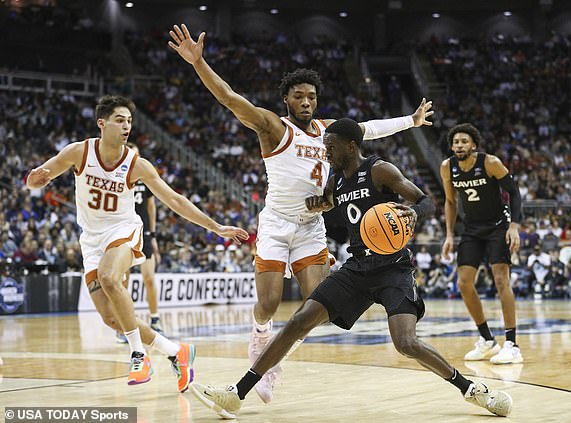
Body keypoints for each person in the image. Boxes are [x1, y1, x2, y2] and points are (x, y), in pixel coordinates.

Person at [168, 23, 434, 402]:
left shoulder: (330, 132)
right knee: (270, 304)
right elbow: (229, 97)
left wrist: (411, 121)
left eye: (311, 97)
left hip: (311, 227)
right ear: (287, 100)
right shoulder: (274, 128)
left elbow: (370, 129)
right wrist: (199, 63)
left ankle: (271, 367)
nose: (306, 102)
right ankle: (259, 337)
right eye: (298, 97)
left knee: (316, 306)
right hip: (276, 224)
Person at [188, 118, 512, 419]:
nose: (325, 152)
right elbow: (329, 203)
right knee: (300, 319)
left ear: (351, 146)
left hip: (393, 269)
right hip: (357, 267)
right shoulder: (336, 180)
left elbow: (424, 200)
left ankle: (471, 389)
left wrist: (412, 213)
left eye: (330, 147)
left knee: (406, 343)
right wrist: (319, 205)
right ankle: (236, 393)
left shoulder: (379, 170)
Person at [26, 95, 248, 390]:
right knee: (112, 319)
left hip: (123, 230)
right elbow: (39, 177)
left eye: (129, 121)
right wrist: (34, 180)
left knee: (109, 277)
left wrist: (215, 226)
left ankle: (138, 355)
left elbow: (173, 199)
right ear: (101, 124)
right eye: (120, 120)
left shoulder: (136, 164)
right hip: (90, 241)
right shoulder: (79, 152)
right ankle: (176, 352)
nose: (126, 126)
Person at [440, 123, 523, 364]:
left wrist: (514, 226)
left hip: (498, 225)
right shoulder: (448, 167)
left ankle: (512, 344)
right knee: (463, 283)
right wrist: (448, 235)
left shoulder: (490, 163)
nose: (459, 145)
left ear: (473, 145)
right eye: (456, 142)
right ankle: (487, 340)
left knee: (500, 279)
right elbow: (450, 202)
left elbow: (514, 192)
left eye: (464, 141)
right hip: (472, 229)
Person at [115, 142, 163, 344]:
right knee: (122, 283)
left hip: (144, 234)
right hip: (123, 234)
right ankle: (126, 326)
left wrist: (152, 235)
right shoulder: (116, 179)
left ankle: (155, 318)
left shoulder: (145, 178)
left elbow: (151, 208)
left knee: (149, 279)